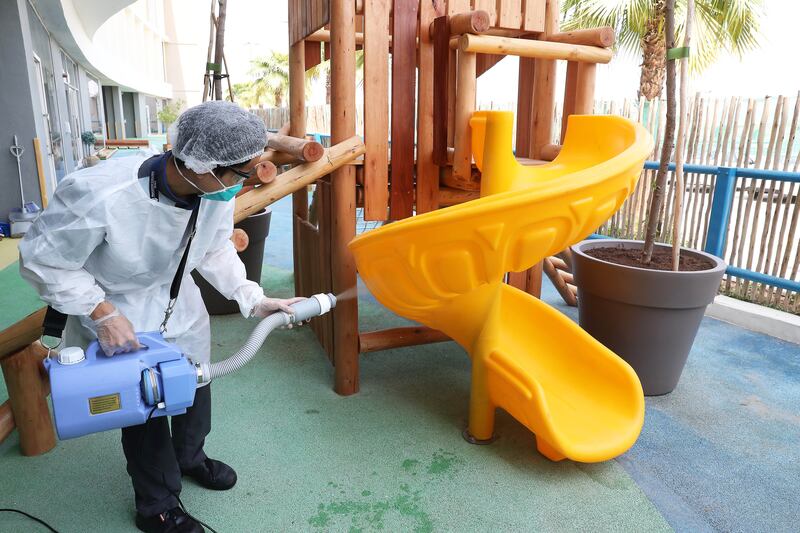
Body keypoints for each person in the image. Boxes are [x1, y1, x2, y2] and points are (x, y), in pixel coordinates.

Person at [19, 101, 303, 533]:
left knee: (196, 380)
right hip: (119, 309)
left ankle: (190, 456)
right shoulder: (100, 193)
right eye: (240, 175)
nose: (241, 184)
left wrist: (252, 296)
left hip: (181, 304)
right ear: (204, 164)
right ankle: (157, 505)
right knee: (145, 406)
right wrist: (103, 312)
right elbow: (43, 261)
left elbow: (214, 247)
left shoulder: (213, 190)